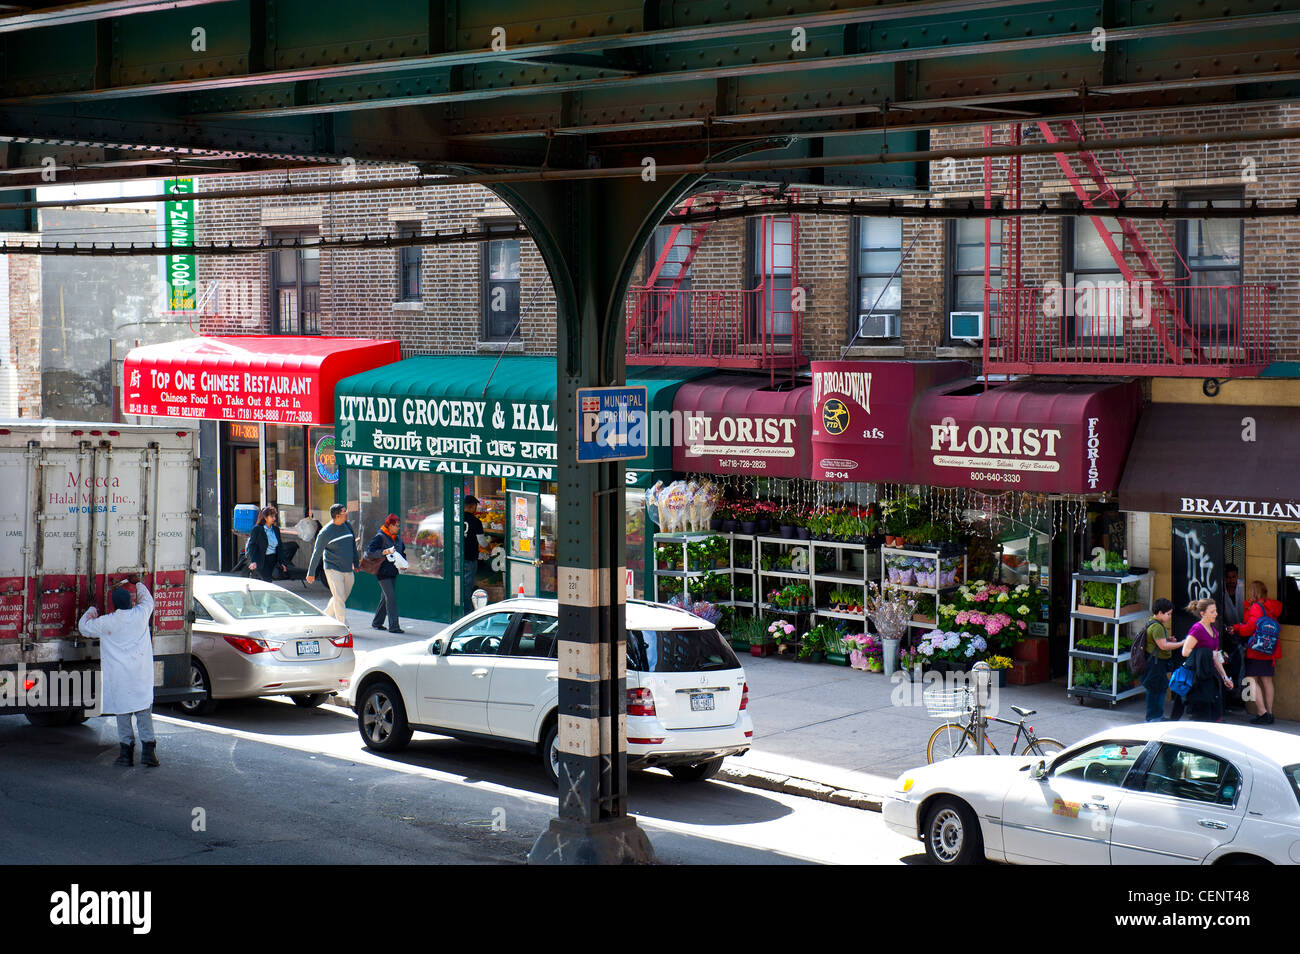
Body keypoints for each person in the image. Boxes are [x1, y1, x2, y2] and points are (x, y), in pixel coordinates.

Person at [78, 576, 159, 767]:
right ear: (131, 602)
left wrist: (92, 609)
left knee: (123, 714)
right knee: (143, 713)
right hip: (140, 676)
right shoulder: (140, 615)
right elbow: (148, 600)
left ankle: (126, 755)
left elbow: (84, 627)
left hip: (119, 678)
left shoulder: (108, 622)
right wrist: (138, 582)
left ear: (114, 605)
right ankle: (149, 754)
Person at [1233, 580, 1283, 725]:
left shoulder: (1255, 607)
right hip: (1270, 649)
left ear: (1253, 592)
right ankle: (1270, 713)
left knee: (1251, 679)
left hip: (1257, 649)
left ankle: (1262, 712)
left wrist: (1236, 628)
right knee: (1267, 680)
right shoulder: (1272, 607)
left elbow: (1249, 628)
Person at [1175, 598, 1233, 722]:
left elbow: (1215, 657)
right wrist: (1207, 653)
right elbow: (1185, 651)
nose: (1216, 614)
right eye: (1212, 612)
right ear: (1202, 613)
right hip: (1197, 678)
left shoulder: (1214, 631)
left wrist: (1225, 677)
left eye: (1215, 611)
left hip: (1209, 676)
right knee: (1201, 716)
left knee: (1214, 714)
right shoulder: (1197, 629)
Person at [306, 503, 359, 624]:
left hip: (347, 568)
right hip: (332, 568)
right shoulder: (325, 532)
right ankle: (342, 625)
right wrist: (311, 572)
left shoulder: (347, 525)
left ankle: (324, 618)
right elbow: (317, 553)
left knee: (340, 597)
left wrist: (356, 563)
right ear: (337, 516)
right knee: (339, 597)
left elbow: (352, 545)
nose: (346, 513)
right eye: (344, 512)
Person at [1141, 598, 1184, 722]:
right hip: (1156, 664)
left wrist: (1169, 640)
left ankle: (1155, 716)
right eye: (1168, 614)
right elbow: (1163, 646)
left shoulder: (1151, 622)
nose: (1169, 617)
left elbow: (1159, 641)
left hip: (1154, 663)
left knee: (1158, 689)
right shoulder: (1157, 627)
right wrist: (1182, 643)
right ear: (1160, 612)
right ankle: (1154, 718)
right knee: (1156, 690)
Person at [366, 513, 406, 634]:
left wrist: (403, 563)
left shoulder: (397, 539)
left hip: (393, 571)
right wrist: (384, 552)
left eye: (399, 525)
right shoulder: (380, 537)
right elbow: (369, 552)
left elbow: (402, 552)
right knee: (391, 597)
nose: (398, 528)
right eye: (396, 525)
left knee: (385, 598)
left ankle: (377, 623)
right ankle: (394, 626)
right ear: (390, 525)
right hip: (382, 572)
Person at [245, 506, 282, 582]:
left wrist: (282, 562)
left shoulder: (276, 529)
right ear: (265, 517)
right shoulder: (258, 529)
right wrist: (253, 561)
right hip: (262, 560)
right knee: (267, 581)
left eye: (274, 516)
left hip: (273, 559)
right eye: (271, 516)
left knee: (269, 580)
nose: (274, 518)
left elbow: (280, 546)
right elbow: (252, 546)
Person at [463, 495, 485, 614]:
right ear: (472, 506)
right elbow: (482, 542)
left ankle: (460, 608)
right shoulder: (476, 521)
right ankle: (467, 612)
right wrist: (489, 548)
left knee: (459, 585)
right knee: (467, 586)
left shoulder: (456, 518)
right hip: (470, 557)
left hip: (458, 557)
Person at [1221, 563, 1246, 631]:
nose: (1231, 580)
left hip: (1244, 628)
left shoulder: (1244, 586)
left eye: (1233, 577)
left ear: (1237, 576)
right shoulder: (1221, 589)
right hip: (1227, 630)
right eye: (1228, 577)